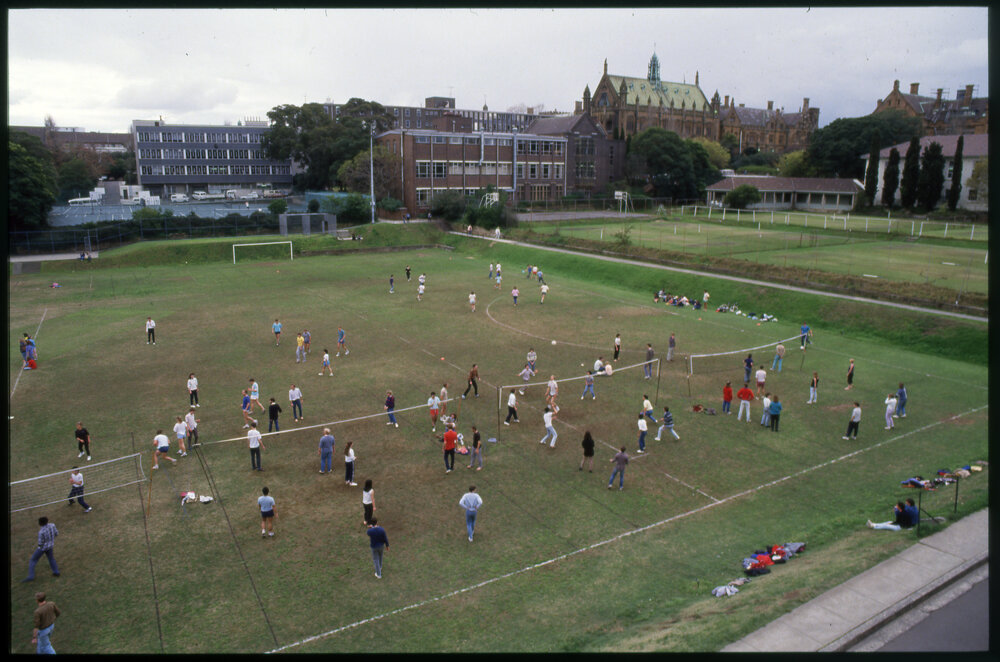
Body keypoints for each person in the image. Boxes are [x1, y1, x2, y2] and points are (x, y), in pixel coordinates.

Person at [24, 517, 60, 581]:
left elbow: (40, 543)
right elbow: (56, 533)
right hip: (50, 546)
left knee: (33, 560)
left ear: (40, 523)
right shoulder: (52, 525)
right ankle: (56, 572)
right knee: (51, 559)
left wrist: (40, 548)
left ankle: (31, 576)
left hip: (43, 548)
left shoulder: (41, 532)